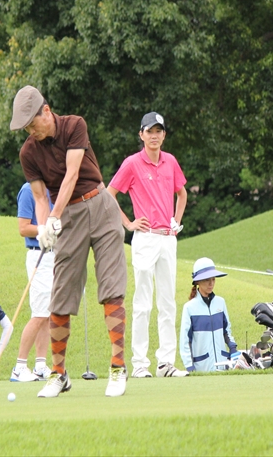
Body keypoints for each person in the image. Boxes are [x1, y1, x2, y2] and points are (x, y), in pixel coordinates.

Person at [9, 85, 128, 398]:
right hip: (69, 219)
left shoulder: (75, 125)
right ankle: (58, 373)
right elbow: (39, 196)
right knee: (59, 297)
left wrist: (53, 216)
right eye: (26, 129)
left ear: (47, 111)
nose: (31, 132)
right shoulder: (28, 152)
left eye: (33, 124)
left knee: (111, 288)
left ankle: (118, 367)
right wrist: (44, 226)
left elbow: (72, 175)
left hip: (100, 207)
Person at [108, 112, 188, 378]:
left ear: (164, 135)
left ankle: (165, 363)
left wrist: (177, 221)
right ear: (141, 134)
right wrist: (128, 224)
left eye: (158, 131)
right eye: (149, 131)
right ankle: (140, 364)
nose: (154, 136)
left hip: (167, 238)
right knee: (143, 303)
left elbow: (182, 193)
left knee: (168, 303)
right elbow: (110, 194)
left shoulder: (170, 161)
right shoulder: (132, 163)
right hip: (145, 237)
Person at [9, 182, 54, 383]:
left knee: (48, 315)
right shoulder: (28, 190)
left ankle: (40, 365)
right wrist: (45, 229)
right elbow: (23, 228)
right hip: (39, 255)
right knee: (39, 314)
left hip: (55, 255)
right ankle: (19, 367)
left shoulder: (55, 189)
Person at [179, 257, 238, 372]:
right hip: (201, 368)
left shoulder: (221, 302)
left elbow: (226, 331)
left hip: (222, 365)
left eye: (213, 279)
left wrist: (233, 348)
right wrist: (190, 367)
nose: (211, 283)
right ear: (198, 282)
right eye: (207, 280)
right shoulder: (189, 308)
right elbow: (185, 342)